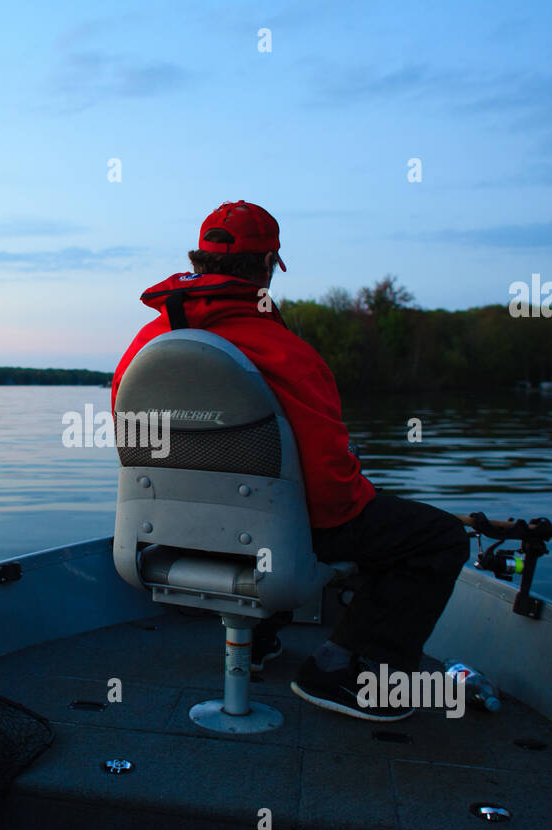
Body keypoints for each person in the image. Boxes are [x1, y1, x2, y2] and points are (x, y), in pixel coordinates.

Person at [111, 201, 471, 721]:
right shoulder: (287, 354)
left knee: (275, 514)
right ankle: (343, 674)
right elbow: (335, 500)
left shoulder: (142, 349)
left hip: (162, 535)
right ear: (267, 267)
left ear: (197, 260)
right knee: (434, 539)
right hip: (267, 542)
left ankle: (256, 644)